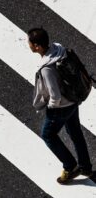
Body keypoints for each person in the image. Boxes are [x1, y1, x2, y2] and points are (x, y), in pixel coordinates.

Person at [28, 28, 93, 184]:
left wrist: (51, 108)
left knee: (48, 135)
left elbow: (55, 95)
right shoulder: (59, 50)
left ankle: (70, 166)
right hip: (73, 99)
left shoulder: (46, 69)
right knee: (76, 133)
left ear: (37, 46)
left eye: (30, 42)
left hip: (61, 107)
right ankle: (85, 166)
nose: (28, 45)